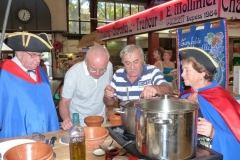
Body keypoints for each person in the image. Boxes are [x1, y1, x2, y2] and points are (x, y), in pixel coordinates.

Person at [179, 47, 240, 160]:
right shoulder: (185, 96)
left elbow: (237, 134)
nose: (182, 75)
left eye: (187, 70)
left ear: (202, 73)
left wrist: (214, 133)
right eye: (183, 70)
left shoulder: (220, 98)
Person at [0, 32, 60, 138]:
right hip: (18, 136)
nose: (38, 60)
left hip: (46, 133)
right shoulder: (3, 74)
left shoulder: (40, 71)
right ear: (19, 53)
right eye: (33, 55)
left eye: (39, 55)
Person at [59, 44, 113, 130]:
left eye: (102, 69)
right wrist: (66, 119)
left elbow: (106, 90)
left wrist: (106, 107)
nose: (98, 73)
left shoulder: (109, 66)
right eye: (93, 69)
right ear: (86, 61)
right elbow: (64, 102)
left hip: (101, 120)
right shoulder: (73, 74)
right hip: (79, 123)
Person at [104, 44, 172, 105]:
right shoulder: (118, 75)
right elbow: (109, 103)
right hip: (128, 116)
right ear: (123, 63)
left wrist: (156, 88)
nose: (132, 67)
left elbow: (169, 90)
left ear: (142, 60)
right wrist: (108, 96)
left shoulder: (152, 71)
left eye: (136, 62)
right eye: (128, 63)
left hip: (149, 118)